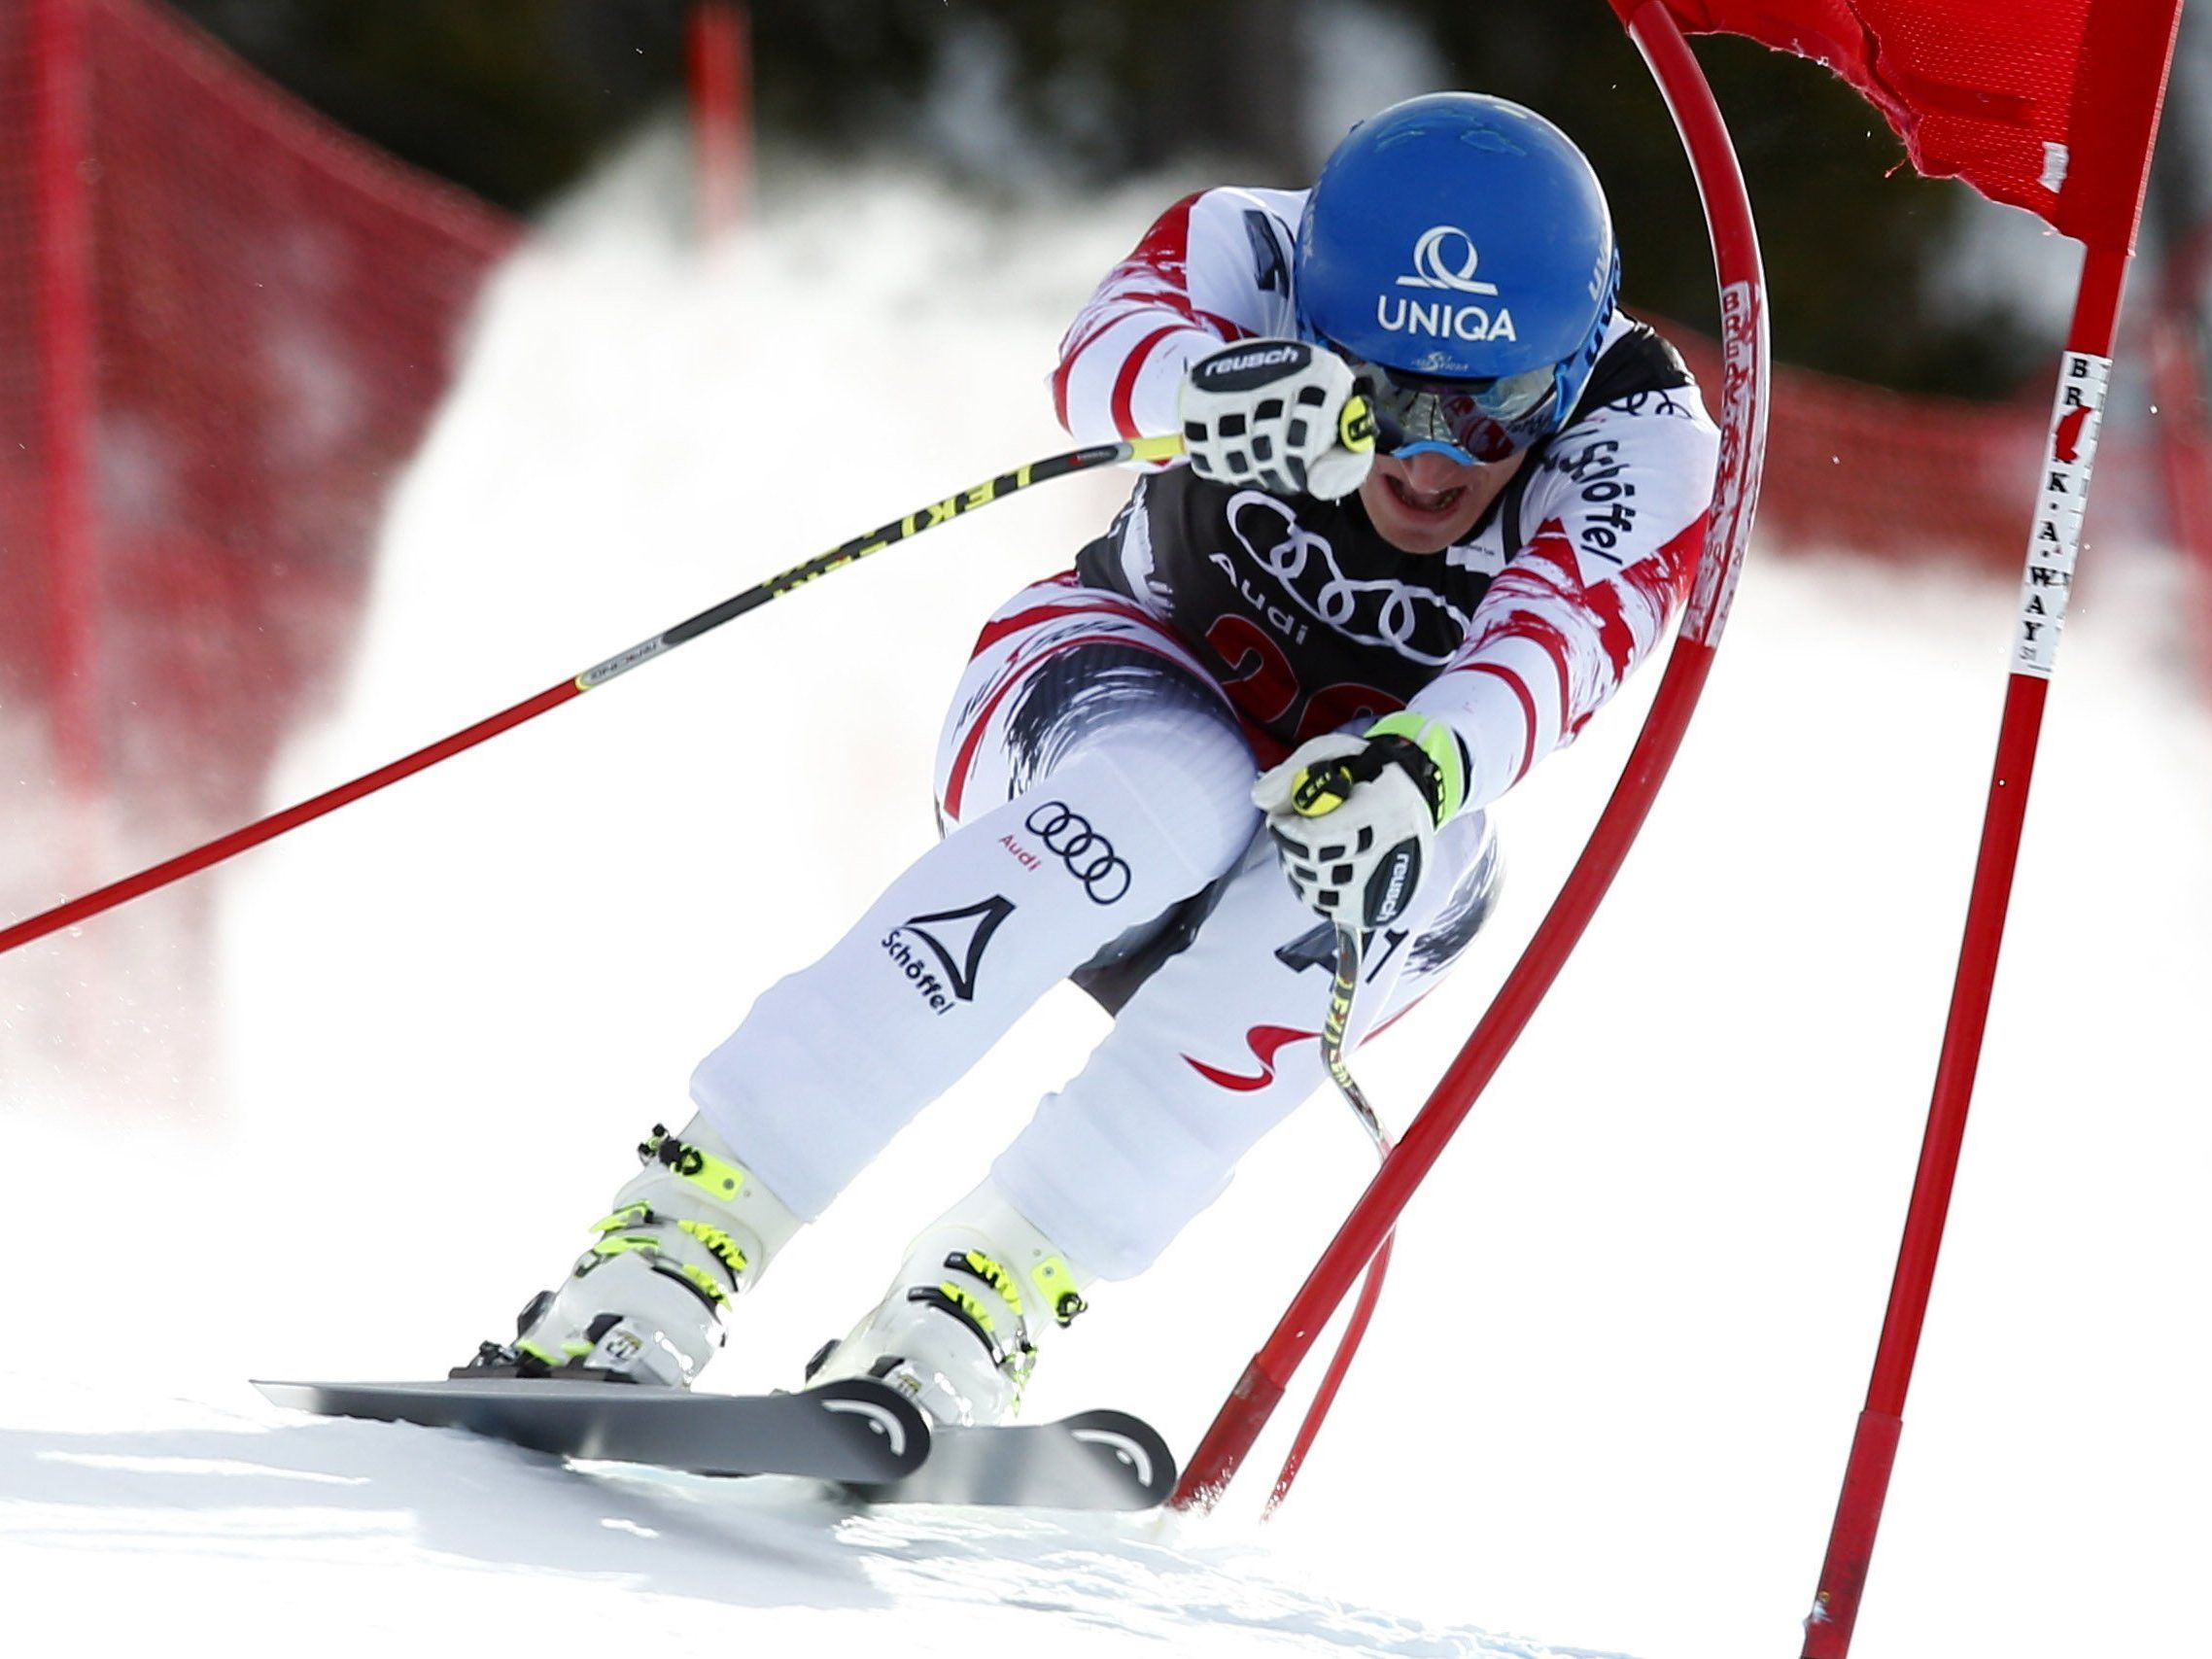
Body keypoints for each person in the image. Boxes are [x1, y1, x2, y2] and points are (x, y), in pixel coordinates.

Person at [475, 92, 1719, 1425]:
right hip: (1106, 689)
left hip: (1357, 798)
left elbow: (1558, 644)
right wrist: (1202, 393)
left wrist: (1421, 765)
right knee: (1167, 796)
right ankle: (668, 1244)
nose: (1431, 457)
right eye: (1385, 393)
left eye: (1497, 410)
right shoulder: (1257, 252)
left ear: (1574, 365)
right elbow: (1099, 352)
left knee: (1399, 859)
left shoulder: (1643, 434)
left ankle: (980, 1302)